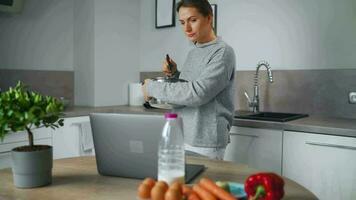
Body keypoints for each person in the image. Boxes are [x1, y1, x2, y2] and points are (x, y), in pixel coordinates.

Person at [142, 0, 236, 160]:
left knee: (200, 185)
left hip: (206, 141)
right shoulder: (194, 51)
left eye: (193, 20)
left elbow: (198, 93)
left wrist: (151, 88)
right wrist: (175, 74)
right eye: (182, 22)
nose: (186, 28)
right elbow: (188, 86)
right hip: (184, 134)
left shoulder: (222, 52)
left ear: (209, 18)